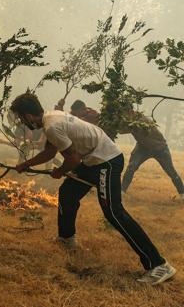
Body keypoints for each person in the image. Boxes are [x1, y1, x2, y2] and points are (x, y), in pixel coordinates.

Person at [10, 92, 176, 285]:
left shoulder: (52, 125)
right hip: (92, 161)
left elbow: (72, 159)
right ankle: (66, 239)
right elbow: (50, 151)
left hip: (107, 161)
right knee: (68, 193)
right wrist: (26, 164)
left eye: (21, 117)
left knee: (113, 211)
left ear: (28, 116)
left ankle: (158, 265)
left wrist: (60, 171)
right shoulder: (52, 118)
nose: (22, 121)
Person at [120, 113, 184, 200]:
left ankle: (182, 193)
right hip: (143, 147)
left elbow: (124, 129)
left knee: (171, 171)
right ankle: (122, 191)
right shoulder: (129, 121)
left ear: (131, 110)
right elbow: (121, 130)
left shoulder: (141, 120)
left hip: (159, 148)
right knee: (131, 166)